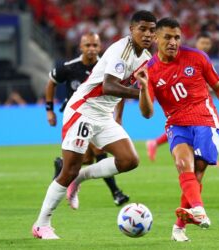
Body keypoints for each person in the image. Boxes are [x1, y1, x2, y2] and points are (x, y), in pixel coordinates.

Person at [32, 10, 157, 240]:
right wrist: (140, 92)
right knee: (68, 169)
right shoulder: (123, 49)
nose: (148, 34)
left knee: (129, 160)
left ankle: (80, 178)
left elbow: (138, 100)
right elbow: (109, 86)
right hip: (83, 110)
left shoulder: (146, 59)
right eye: (143, 29)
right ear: (132, 29)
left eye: (152, 30)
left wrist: (144, 98)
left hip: (104, 114)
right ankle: (41, 224)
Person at [135, 18, 219, 242]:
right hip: (176, 123)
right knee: (183, 165)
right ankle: (199, 211)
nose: (173, 42)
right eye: (168, 37)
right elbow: (147, 112)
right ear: (156, 38)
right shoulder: (149, 70)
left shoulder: (196, 57)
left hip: (205, 118)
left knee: (198, 169)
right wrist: (142, 89)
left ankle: (179, 227)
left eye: (177, 37)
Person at [45, 32, 129, 206]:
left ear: (100, 48)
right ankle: (116, 193)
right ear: (80, 47)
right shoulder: (69, 67)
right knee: (99, 152)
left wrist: (118, 116)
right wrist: (49, 110)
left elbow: (120, 91)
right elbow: (51, 82)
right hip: (77, 117)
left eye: (95, 46)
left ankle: (62, 165)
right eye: (87, 45)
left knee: (87, 160)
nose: (91, 49)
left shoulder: (107, 67)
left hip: (99, 116)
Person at [145, 32, 213, 162]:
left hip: (198, 102)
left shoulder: (202, 58)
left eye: (208, 43)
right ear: (196, 42)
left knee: (194, 129)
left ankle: (156, 143)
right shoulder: (186, 57)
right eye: (203, 43)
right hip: (183, 103)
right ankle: (200, 156)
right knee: (187, 127)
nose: (205, 46)